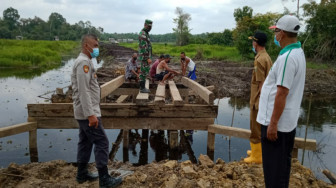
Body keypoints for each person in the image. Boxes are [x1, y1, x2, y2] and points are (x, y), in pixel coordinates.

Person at [257, 15, 305, 188]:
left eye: (276, 31)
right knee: (281, 168)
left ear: (282, 33)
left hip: (277, 125)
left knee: (274, 171)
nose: (274, 35)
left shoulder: (287, 58)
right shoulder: (297, 52)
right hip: (286, 123)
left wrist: (272, 124)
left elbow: (282, 93)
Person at [71, 34, 122, 188]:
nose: (96, 49)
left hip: (86, 111)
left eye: (97, 45)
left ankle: (82, 173)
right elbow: (83, 91)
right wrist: (90, 114)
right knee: (102, 142)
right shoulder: (83, 63)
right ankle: (104, 179)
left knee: (85, 142)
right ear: (86, 46)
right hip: (88, 112)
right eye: (94, 46)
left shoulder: (86, 62)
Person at [244, 31, 272, 164]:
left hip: (257, 99)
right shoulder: (266, 56)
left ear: (256, 43)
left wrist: (260, 102)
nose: (252, 44)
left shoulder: (259, 60)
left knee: (255, 127)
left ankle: (257, 156)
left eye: (253, 41)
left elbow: (262, 84)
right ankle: (256, 151)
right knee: (258, 127)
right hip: (260, 98)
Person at [138, 19, 153, 93]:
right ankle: (142, 88)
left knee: (144, 71)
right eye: (149, 26)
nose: (150, 28)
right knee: (143, 72)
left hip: (145, 57)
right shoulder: (143, 34)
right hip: (144, 57)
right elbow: (144, 48)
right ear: (145, 25)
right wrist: (147, 58)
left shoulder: (146, 33)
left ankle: (143, 87)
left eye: (151, 26)